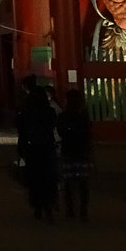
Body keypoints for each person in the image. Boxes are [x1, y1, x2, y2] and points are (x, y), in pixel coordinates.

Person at [14, 80, 59, 221]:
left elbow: (21, 131)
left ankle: (37, 206)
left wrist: (21, 148)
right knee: (48, 178)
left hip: (31, 147)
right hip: (47, 147)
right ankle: (49, 206)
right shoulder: (50, 111)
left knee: (34, 178)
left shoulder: (25, 113)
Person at [56, 88, 93, 220]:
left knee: (68, 183)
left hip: (68, 151)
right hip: (82, 152)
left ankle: (70, 210)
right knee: (83, 184)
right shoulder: (84, 117)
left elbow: (60, 132)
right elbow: (88, 134)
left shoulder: (62, 117)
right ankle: (83, 211)